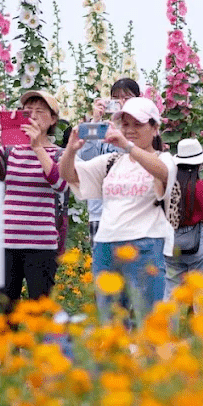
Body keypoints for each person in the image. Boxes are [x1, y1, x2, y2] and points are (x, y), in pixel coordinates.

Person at [59, 97, 175, 324]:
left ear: (155, 128)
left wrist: (128, 146)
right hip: (106, 244)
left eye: (138, 124)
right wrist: (71, 150)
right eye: (125, 124)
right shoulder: (111, 161)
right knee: (110, 322)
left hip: (145, 243)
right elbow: (68, 175)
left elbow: (163, 173)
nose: (130, 130)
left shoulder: (164, 158)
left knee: (150, 321)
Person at [0, 90, 68, 307]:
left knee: (40, 312)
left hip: (42, 245)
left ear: (53, 119)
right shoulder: (10, 152)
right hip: (6, 243)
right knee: (5, 311)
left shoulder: (59, 154)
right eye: (27, 111)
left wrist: (37, 147)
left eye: (40, 111)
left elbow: (60, 184)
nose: (32, 116)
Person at [80, 78, 140, 239]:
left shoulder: (141, 129)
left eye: (127, 98)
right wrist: (95, 121)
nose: (121, 102)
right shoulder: (102, 128)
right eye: (116, 98)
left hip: (131, 213)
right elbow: (86, 157)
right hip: (100, 213)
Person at [164, 139, 203, 289]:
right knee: (202, 293)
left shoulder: (169, 186)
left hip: (172, 242)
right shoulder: (200, 187)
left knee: (173, 293)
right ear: (199, 164)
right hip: (197, 243)